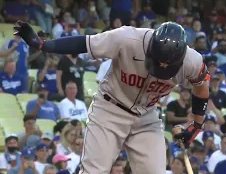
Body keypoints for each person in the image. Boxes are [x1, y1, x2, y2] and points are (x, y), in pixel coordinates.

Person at [15, 21, 210, 174]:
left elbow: (201, 88)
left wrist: (196, 126)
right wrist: (43, 45)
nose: (164, 67)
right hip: (109, 109)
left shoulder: (193, 61)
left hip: (146, 116)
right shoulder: (128, 38)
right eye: (160, 62)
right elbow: (85, 42)